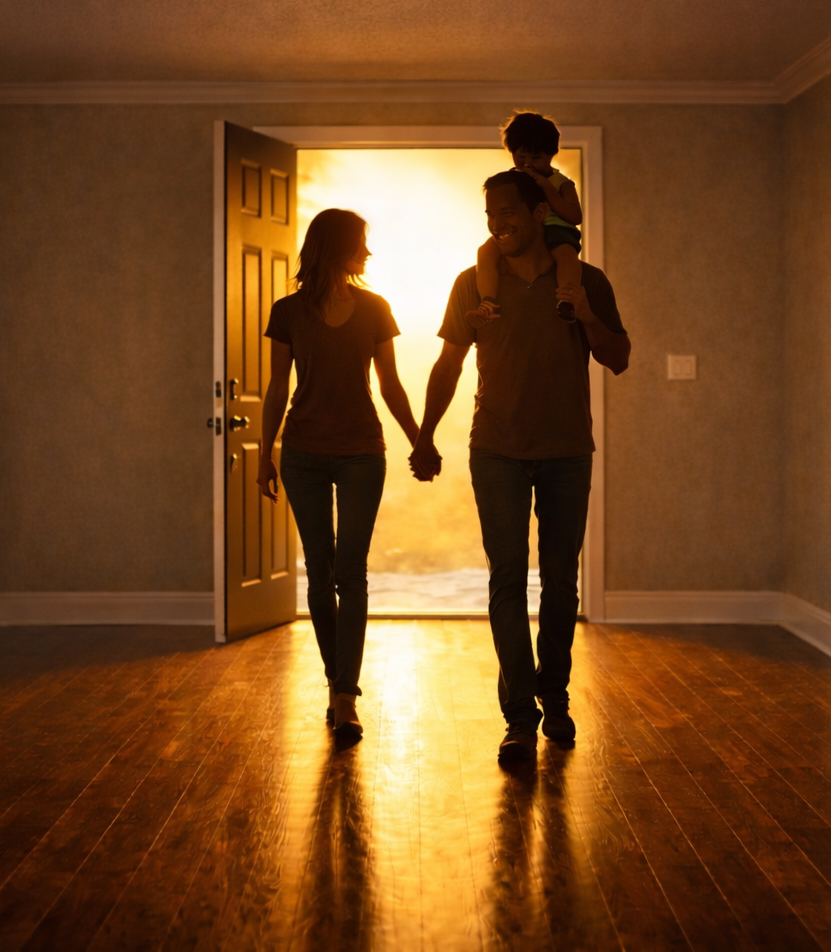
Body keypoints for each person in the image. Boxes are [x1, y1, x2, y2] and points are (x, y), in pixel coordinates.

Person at [411, 170, 630, 762]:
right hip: (497, 450)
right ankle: (519, 718)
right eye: (489, 216)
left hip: (566, 452)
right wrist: (425, 435)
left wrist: (584, 312)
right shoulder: (472, 286)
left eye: (507, 212)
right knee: (507, 579)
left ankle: (555, 699)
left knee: (560, 582)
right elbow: (449, 365)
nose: (497, 224)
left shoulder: (584, 280)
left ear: (540, 214)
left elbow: (618, 358)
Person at [259, 209, 420, 741]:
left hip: (360, 453)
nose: (368, 254)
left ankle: (344, 697)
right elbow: (278, 388)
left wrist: (420, 438)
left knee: (350, 575)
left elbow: (391, 385)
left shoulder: (375, 309)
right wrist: (265, 454)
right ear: (337, 247)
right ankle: (338, 683)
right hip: (303, 453)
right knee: (320, 570)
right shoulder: (287, 313)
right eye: (361, 244)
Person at [471, 111, 584, 325]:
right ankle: (487, 301)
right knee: (485, 251)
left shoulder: (561, 182)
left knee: (567, 257)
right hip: (523, 233)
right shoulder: (514, 179)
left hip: (558, 230)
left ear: (551, 154)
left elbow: (574, 215)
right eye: (521, 157)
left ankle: (567, 300)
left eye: (536, 158)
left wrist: (546, 187)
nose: (527, 164)